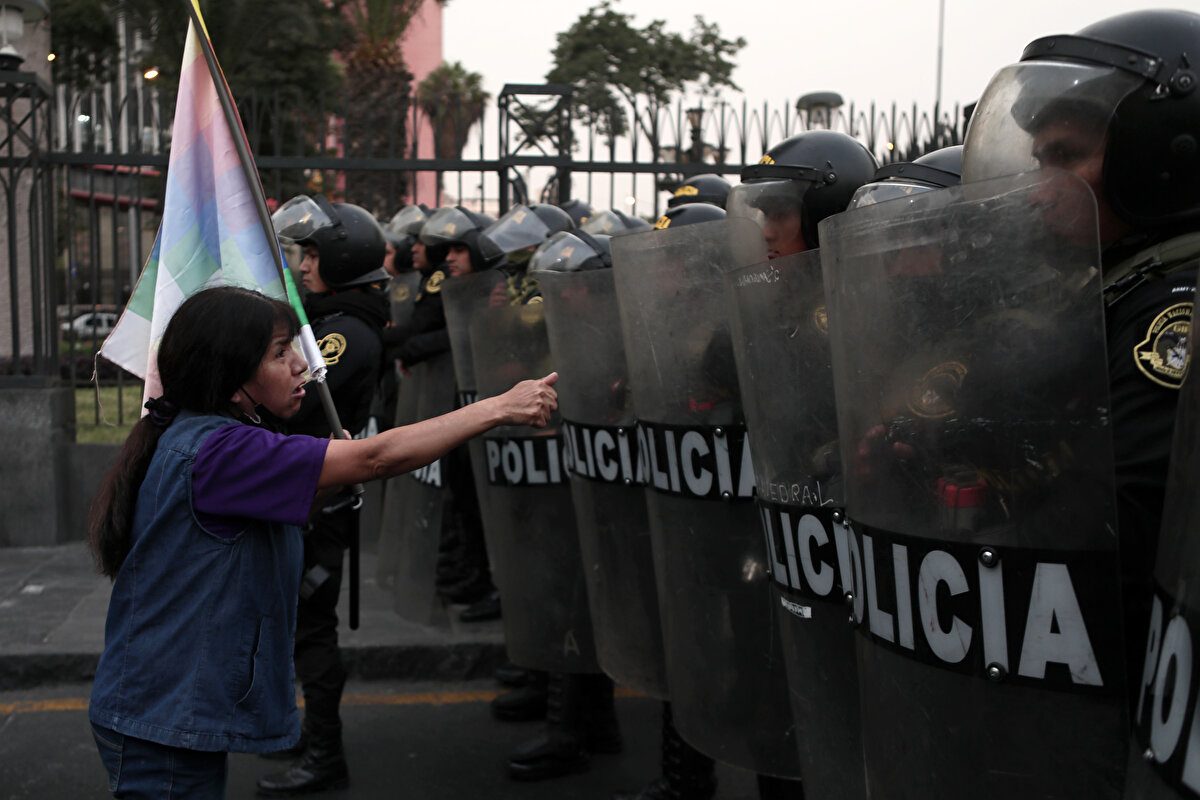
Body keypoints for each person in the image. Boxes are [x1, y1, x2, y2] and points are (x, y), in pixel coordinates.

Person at [87, 286, 557, 799]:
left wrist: (326, 477)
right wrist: (499, 406)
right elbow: (379, 458)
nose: (300, 366)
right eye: (279, 352)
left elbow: (264, 524)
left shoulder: (209, 436)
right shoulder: (221, 449)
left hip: (161, 708)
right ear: (231, 369)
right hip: (161, 718)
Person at [960, 6, 1200, 701]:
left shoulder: (1173, 310)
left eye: (1065, 156)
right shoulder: (1117, 289)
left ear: (1161, 152)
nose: (1039, 191)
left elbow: (1111, 536)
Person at [253, 197, 398, 795]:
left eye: (313, 254)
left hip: (318, 503)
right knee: (294, 626)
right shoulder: (328, 323)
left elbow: (303, 403)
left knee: (312, 631)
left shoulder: (344, 335)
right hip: (304, 496)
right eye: (303, 253)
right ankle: (299, 732)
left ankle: (324, 753)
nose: (303, 265)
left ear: (343, 259)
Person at [417, 205, 505, 617]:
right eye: (446, 250)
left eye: (459, 249)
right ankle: (475, 573)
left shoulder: (503, 291)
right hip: (465, 411)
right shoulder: (460, 294)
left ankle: (494, 582)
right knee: (466, 499)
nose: (449, 258)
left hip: (497, 423)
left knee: (491, 507)